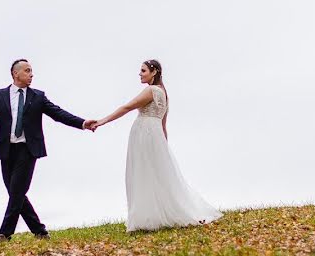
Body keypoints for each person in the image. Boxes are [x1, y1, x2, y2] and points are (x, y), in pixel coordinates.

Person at [0, 59, 96, 241]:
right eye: (27, 70)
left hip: (28, 149)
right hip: (7, 149)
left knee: (16, 191)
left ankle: (5, 233)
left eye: (31, 71)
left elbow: (58, 113)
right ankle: (39, 231)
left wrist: (82, 123)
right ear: (16, 74)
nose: (32, 74)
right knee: (16, 193)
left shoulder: (38, 96)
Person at [91, 59, 222, 232]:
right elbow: (163, 125)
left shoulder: (151, 90)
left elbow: (126, 107)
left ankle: (148, 216)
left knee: (143, 171)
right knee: (157, 173)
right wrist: (164, 145)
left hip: (143, 133)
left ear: (154, 72)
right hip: (156, 135)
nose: (140, 73)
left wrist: (102, 121)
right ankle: (154, 214)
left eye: (143, 70)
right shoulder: (165, 94)